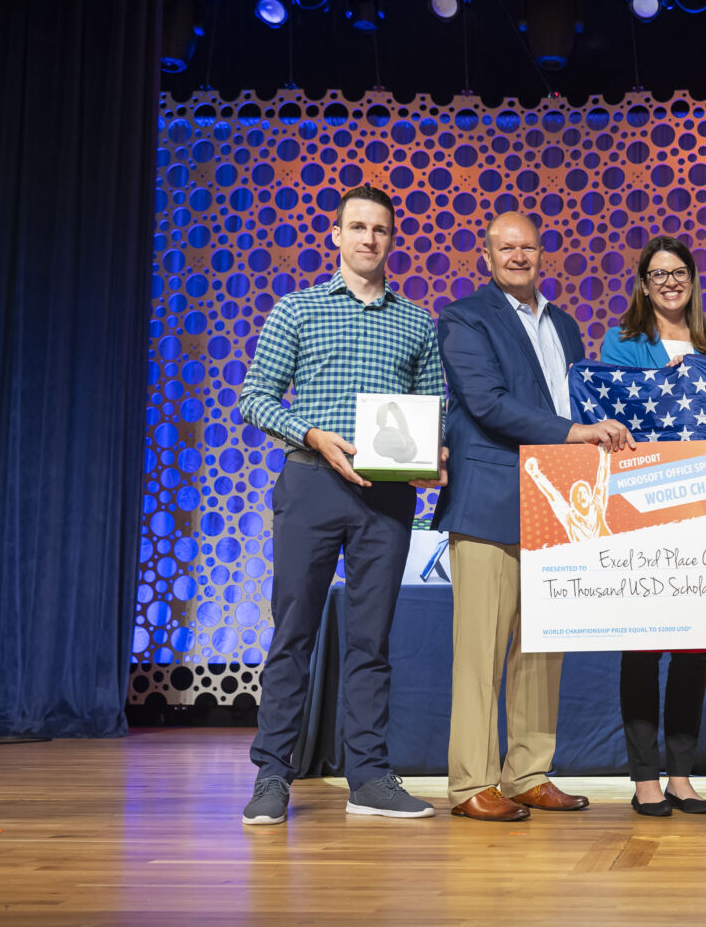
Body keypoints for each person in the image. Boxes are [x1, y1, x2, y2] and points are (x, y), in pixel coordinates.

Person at [237, 184, 445, 825]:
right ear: (336, 235)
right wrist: (311, 434)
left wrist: (437, 459)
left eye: (379, 229)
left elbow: (436, 410)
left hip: (387, 496)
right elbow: (254, 398)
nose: (368, 239)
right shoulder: (296, 310)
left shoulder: (416, 321)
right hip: (309, 483)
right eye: (357, 227)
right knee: (293, 632)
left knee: (371, 640)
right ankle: (273, 774)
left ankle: (370, 778)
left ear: (391, 238)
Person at [433, 211, 634, 823]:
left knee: (544, 648)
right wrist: (575, 433)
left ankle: (528, 772)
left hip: (556, 502)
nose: (518, 256)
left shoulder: (567, 326)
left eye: (528, 247)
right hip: (490, 499)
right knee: (481, 651)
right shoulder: (465, 317)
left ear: (542, 255)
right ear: (486, 257)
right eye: (505, 247)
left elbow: (579, 398)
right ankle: (471, 781)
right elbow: (488, 403)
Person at [600, 236, 706, 816]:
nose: (670, 282)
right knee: (644, 649)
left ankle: (681, 777)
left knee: (695, 651)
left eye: (680, 272)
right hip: (642, 514)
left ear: (693, 280)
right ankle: (645, 778)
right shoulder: (620, 345)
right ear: (643, 284)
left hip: (703, 514)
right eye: (658, 273)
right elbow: (614, 421)